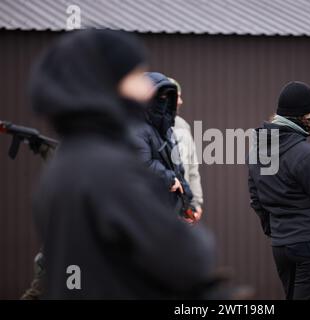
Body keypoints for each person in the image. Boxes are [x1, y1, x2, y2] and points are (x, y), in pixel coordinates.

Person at [29, 29, 215, 299]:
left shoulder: (66, 162)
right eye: (133, 76)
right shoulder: (109, 168)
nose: (144, 89)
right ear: (105, 83)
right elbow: (188, 257)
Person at [247, 81, 310, 300]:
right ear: (303, 117)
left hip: (282, 247)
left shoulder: (257, 151)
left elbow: (256, 200)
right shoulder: (306, 154)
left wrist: (277, 231)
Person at [130, 72, 197, 222]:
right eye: (160, 97)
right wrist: (169, 178)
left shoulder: (165, 130)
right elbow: (141, 163)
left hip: (170, 213)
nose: (164, 101)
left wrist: (187, 205)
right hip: (149, 215)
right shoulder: (137, 128)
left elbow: (178, 168)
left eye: (168, 97)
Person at [169, 77, 204, 223]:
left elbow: (192, 168)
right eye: (177, 96)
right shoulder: (145, 128)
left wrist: (195, 203)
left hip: (183, 206)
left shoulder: (183, 126)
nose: (180, 101)